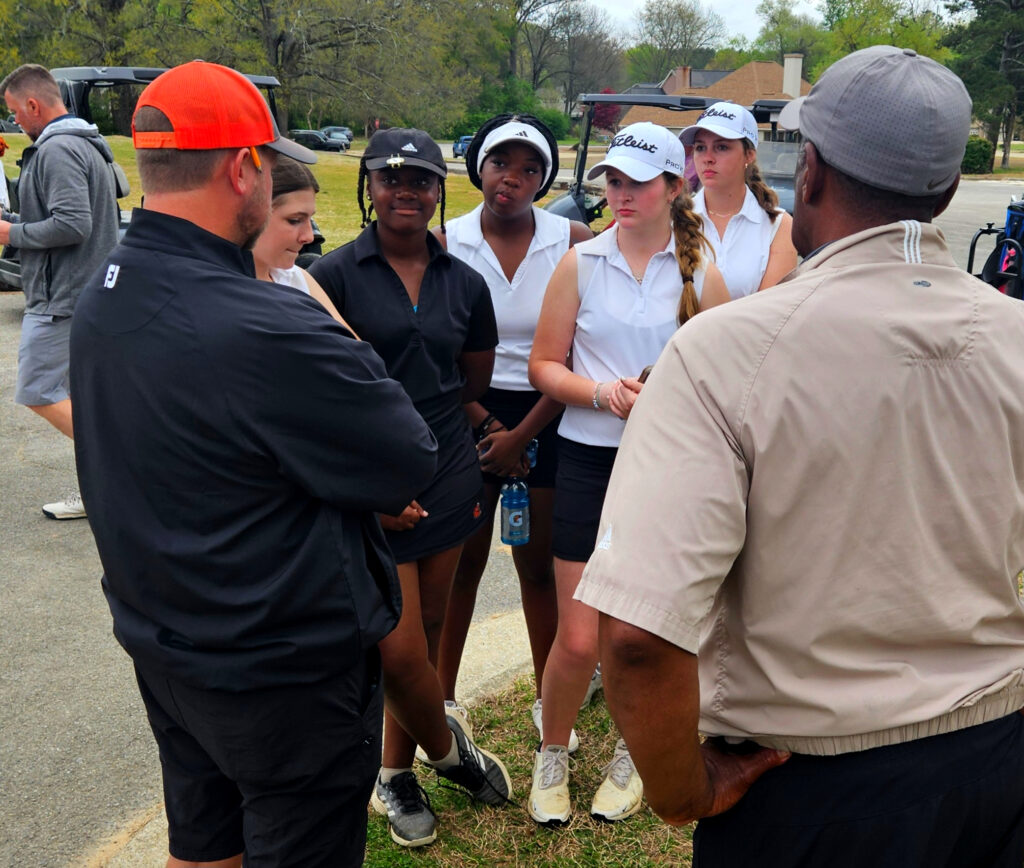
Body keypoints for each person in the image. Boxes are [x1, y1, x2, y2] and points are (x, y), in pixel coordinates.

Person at [578, 46, 1024, 867]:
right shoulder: (1015, 334)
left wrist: (684, 793)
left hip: (809, 788)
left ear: (808, 171)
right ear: (949, 191)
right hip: (998, 760)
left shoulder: (725, 352)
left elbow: (638, 636)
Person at [70, 61, 441, 868]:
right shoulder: (266, 324)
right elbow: (407, 453)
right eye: (270, 164)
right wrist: (323, 318)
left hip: (167, 645)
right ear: (242, 168)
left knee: (203, 847)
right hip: (282, 669)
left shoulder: (106, 286)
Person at [310, 129, 512, 849]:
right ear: (368, 185)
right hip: (370, 481)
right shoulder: (331, 274)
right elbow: (316, 396)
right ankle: (450, 754)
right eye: (390, 178)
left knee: (427, 635)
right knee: (395, 649)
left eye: (421, 180)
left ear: (439, 191)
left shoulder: (465, 282)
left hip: (449, 470)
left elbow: (473, 378)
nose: (405, 191)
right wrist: (367, 489)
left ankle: (395, 774)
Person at [526, 121, 729, 826]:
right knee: (580, 637)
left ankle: (630, 754)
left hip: (666, 466)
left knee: (642, 635)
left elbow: (727, 374)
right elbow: (543, 366)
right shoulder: (582, 263)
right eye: (612, 180)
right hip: (585, 458)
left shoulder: (702, 271)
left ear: (677, 187)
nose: (619, 194)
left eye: (637, 183)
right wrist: (602, 393)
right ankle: (552, 751)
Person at [433, 114, 593, 746]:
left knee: (539, 567)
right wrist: (487, 424)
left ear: (545, 177)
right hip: (466, 412)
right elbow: (436, 351)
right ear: (479, 167)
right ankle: (441, 703)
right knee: (460, 566)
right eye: (502, 163)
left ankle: (546, 699)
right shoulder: (445, 239)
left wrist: (522, 434)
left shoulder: (572, 237)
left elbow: (583, 347)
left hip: (548, 412)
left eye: (531, 168)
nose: (513, 179)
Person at [0, 63, 119, 520]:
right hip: (84, 291)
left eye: (14, 113)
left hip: (64, 296)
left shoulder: (59, 149)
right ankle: (103, 486)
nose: (14, 123)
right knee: (85, 395)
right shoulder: (85, 143)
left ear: (33, 105)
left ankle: (120, 470)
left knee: (35, 387)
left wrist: (10, 234)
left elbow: (73, 224)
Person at [679, 101, 797, 298]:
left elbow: (769, 311)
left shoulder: (779, 226)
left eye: (722, 147)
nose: (707, 158)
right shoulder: (673, 220)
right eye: (700, 147)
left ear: (749, 155)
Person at [250, 155, 353, 330]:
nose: (309, 237)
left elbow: (356, 351)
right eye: (295, 220)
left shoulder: (297, 278)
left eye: (310, 220)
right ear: (253, 212)